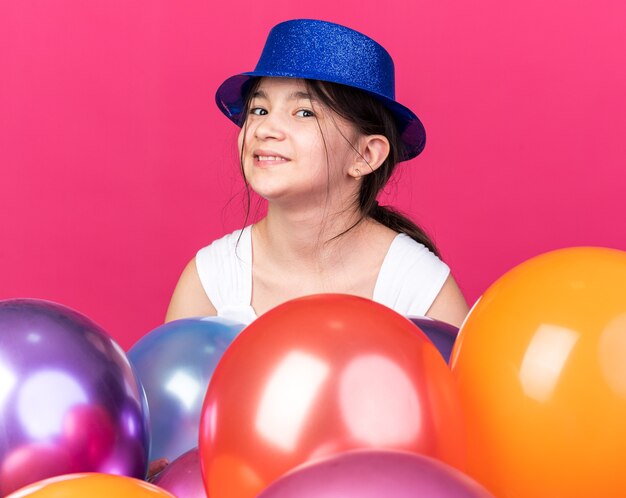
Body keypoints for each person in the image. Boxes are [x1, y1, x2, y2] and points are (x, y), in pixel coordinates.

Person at [165, 19, 469, 330]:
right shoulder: (210, 281)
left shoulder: (419, 289)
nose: (265, 129)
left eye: (304, 112)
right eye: (259, 110)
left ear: (366, 155)